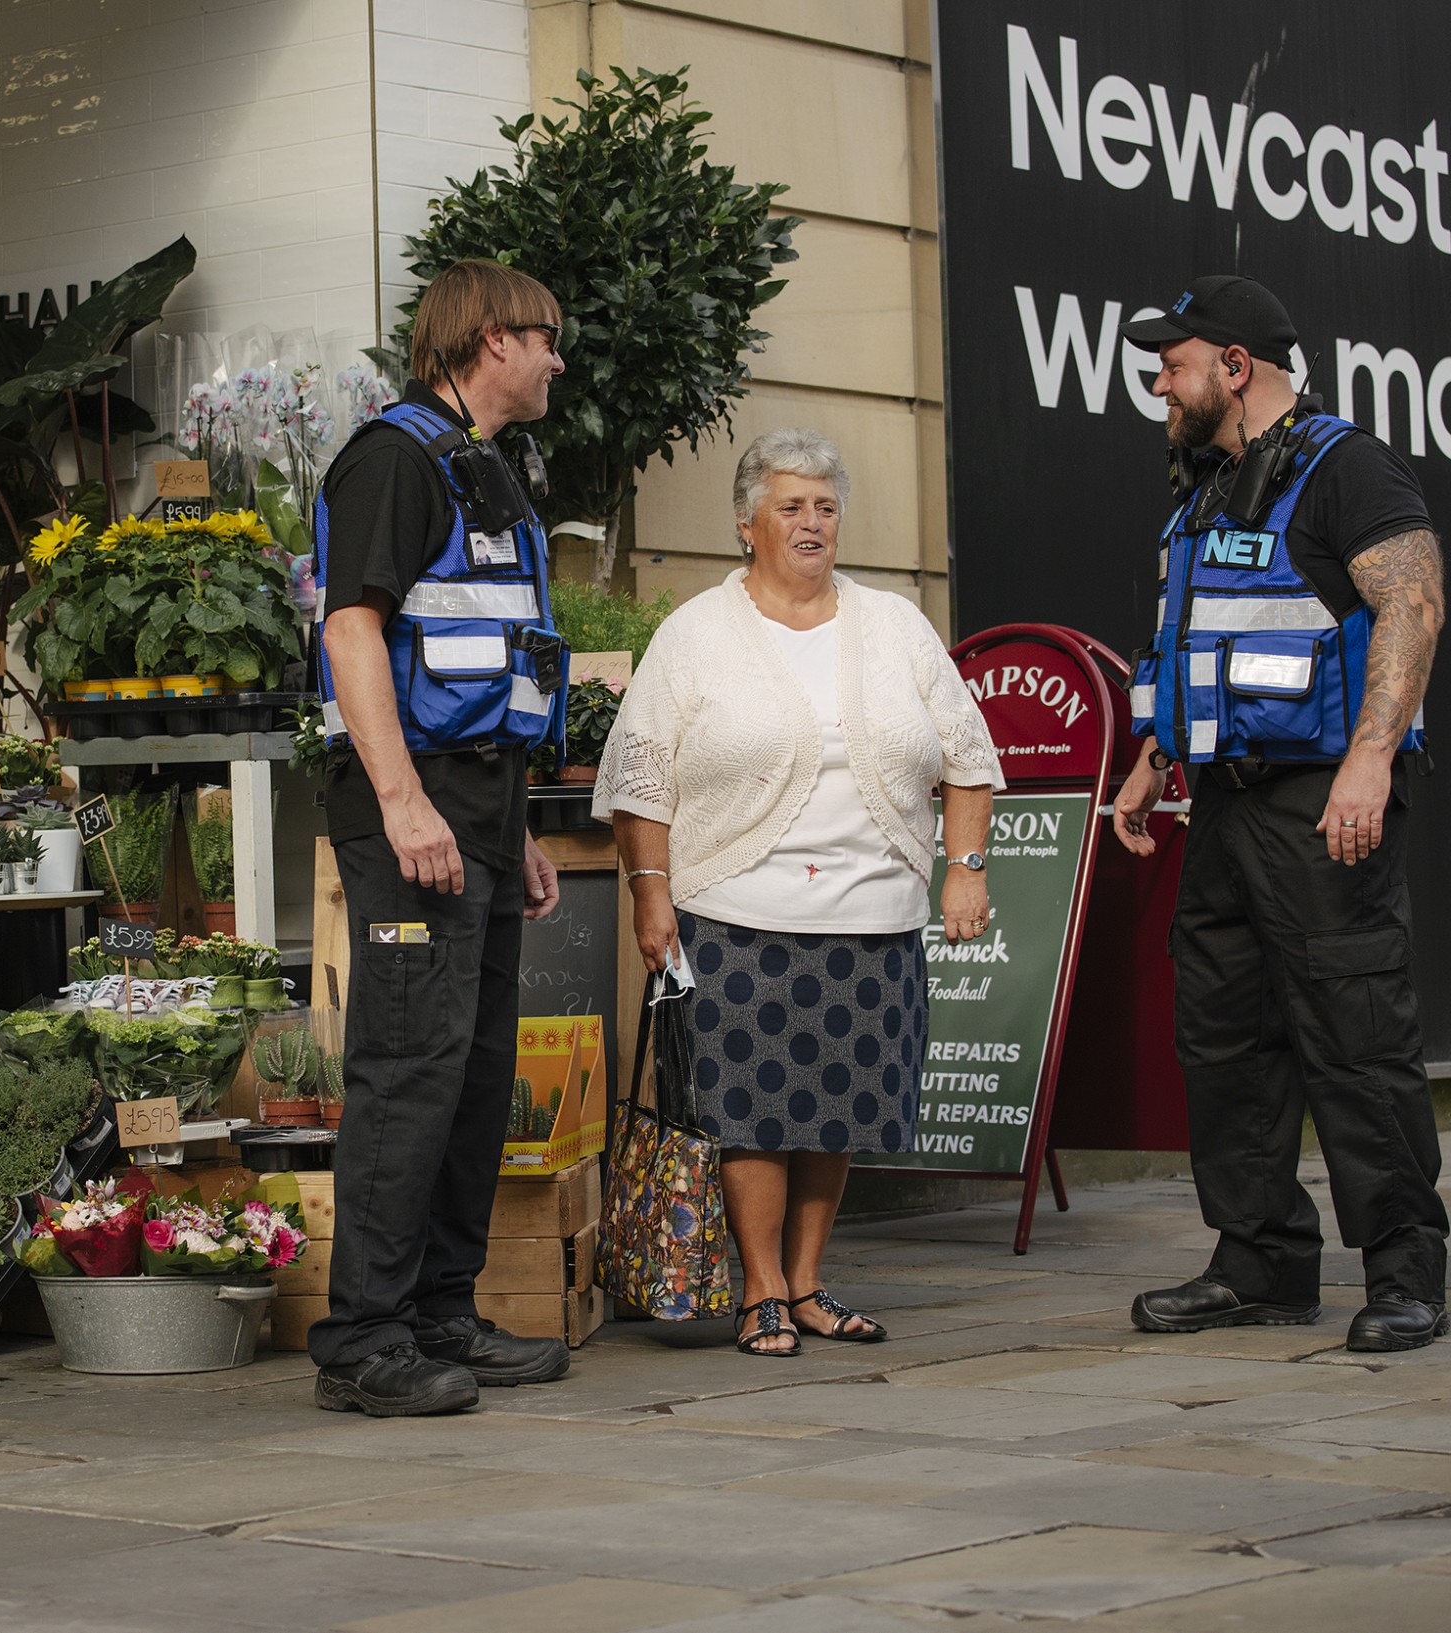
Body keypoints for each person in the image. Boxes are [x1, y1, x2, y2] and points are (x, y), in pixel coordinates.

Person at [595, 429, 1003, 1356]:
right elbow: (640, 776)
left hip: (875, 914)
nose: (812, 523)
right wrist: (649, 895)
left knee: (840, 1107)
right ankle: (761, 1288)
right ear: (748, 523)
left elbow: (966, 754)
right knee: (749, 1113)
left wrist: (965, 868)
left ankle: (811, 1281)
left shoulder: (895, 622)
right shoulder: (696, 632)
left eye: (824, 507)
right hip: (736, 915)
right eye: (791, 507)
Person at [1112, 275, 1451, 1353]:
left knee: (1356, 1038)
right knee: (1224, 1041)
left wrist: (1370, 759)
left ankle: (1405, 1273)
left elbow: (1414, 599)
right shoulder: (1205, 487)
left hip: (1322, 801)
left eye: (1175, 362)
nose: (1160, 380)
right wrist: (1153, 754)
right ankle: (1259, 1262)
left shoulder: (1346, 466)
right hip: (1220, 804)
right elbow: (1207, 641)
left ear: (1236, 367)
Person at [307, 258, 574, 1415]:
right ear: (490, 339)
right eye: (547, 338)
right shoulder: (394, 458)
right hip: (409, 799)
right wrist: (407, 801)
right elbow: (352, 631)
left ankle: (440, 1311)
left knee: (473, 1067)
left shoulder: (484, 468)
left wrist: (511, 826)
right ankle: (362, 1338)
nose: (559, 359)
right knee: (409, 1061)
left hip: (481, 801)